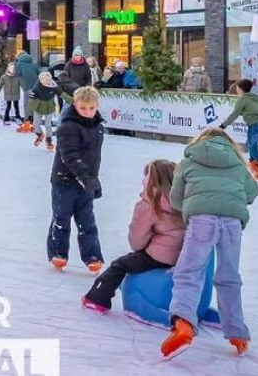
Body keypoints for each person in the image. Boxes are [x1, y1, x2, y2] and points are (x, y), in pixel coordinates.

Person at [161, 127, 258, 360]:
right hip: (232, 222)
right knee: (229, 277)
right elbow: (252, 192)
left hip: (201, 220)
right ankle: (237, 333)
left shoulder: (188, 161)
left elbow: (176, 199)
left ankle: (184, 324)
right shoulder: (237, 164)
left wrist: (194, 203)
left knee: (188, 272)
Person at [83, 160, 182, 313]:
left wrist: (142, 248)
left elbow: (137, 241)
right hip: (180, 257)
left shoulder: (149, 205)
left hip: (158, 258)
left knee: (120, 265)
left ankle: (97, 298)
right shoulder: (182, 202)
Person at [49, 85, 105, 273]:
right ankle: (58, 253)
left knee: (87, 221)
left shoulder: (98, 128)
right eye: (83, 108)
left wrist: (93, 180)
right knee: (61, 217)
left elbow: (94, 158)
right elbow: (69, 156)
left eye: (92, 108)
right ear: (74, 104)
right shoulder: (68, 126)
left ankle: (92, 256)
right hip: (64, 181)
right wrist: (86, 178)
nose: (88, 112)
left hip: (86, 181)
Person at [219, 80, 258, 176]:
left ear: (239, 89)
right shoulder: (257, 99)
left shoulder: (242, 100)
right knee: (249, 144)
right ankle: (254, 167)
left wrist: (224, 125)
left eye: (237, 88)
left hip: (256, 124)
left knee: (252, 146)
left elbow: (234, 114)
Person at [29, 72, 61, 150]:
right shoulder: (36, 88)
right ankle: (40, 135)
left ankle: (49, 140)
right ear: (41, 80)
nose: (47, 81)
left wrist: (72, 100)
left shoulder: (54, 87)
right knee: (35, 125)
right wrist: (30, 111)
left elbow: (61, 95)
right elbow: (31, 99)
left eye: (49, 79)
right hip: (38, 108)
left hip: (49, 108)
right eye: (45, 80)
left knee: (48, 125)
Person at [13, 49, 38, 129]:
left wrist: (15, 62)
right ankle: (34, 121)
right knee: (33, 103)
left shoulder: (19, 64)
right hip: (36, 87)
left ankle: (27, 122)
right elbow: (40, 73)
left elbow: (16, 74)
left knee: (27, 104)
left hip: (26, 87)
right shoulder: (34, 64)